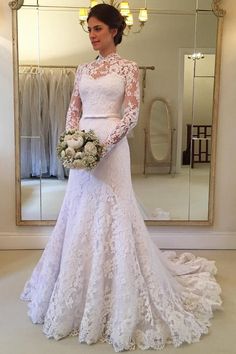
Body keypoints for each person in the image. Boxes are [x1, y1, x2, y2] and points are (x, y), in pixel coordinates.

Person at [20, 4, 222, 352]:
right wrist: (74, 141)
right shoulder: (82, 69)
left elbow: (131, 114)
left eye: (98, 28)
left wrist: (102, 145)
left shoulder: (129, 68)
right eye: (89, 29)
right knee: (80, 211)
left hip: (111, 148)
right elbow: (73, 109)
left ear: (115, 30)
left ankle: (119, 286)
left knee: (114, 211)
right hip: (84, 146)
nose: (92, 35)